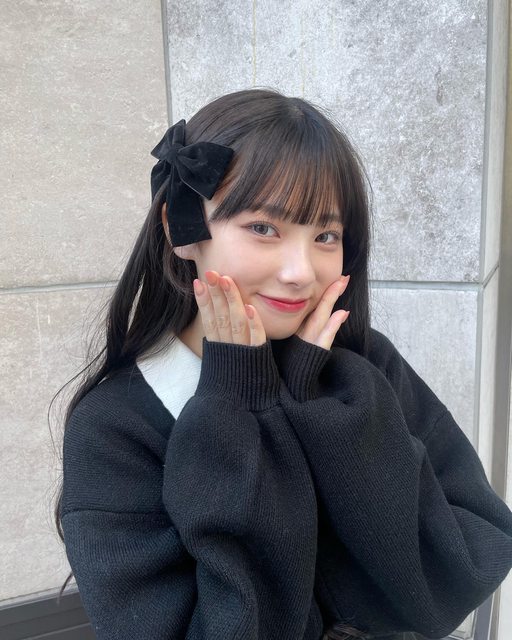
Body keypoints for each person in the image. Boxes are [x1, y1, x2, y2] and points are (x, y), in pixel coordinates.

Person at [55, 88, 512, 640]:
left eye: (325, 236)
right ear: (182, 228)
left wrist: (321, 408)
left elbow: (465, 563)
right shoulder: (115, 427)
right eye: (263, 228)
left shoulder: (364, 365)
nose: (300, 272)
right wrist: (235, 411)